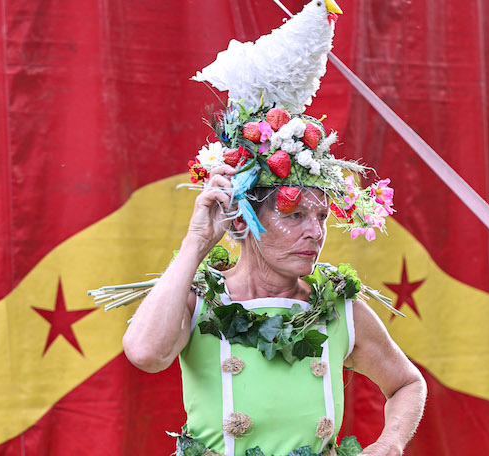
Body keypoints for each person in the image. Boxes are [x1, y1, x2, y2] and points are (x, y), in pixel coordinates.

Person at [109, 3, 427, 455]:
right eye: (295, 215)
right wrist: (197, 243)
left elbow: (407, 385)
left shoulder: (338, 309)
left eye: (321, 216)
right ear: (243, 219)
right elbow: (145, 352)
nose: (315, 232)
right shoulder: (201, 298)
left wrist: (390, 444)